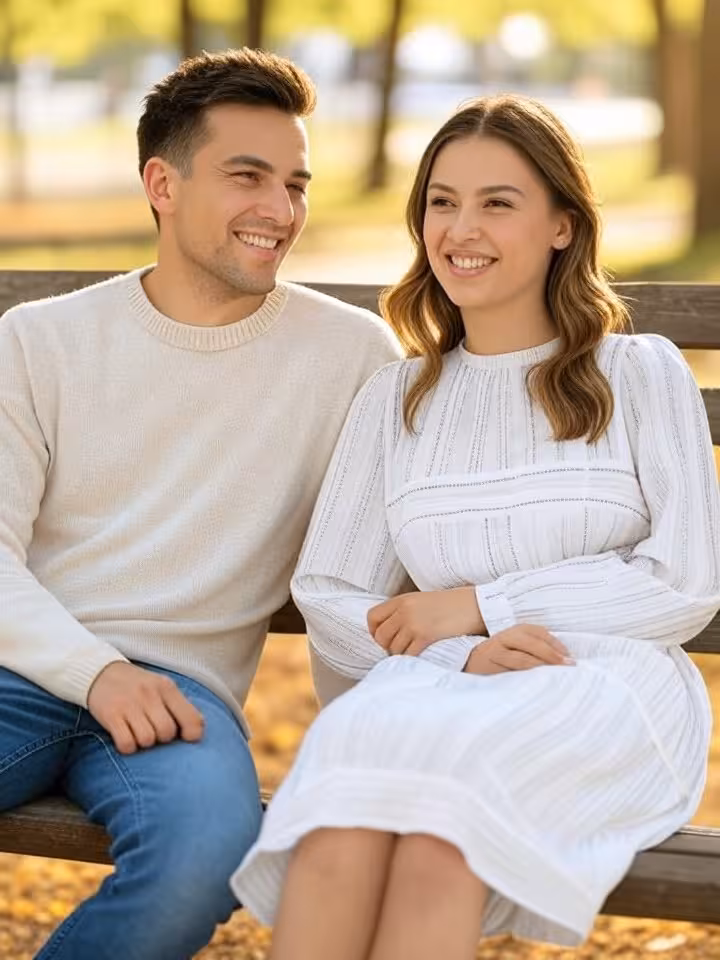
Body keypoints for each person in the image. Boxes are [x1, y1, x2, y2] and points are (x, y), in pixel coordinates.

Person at [231, 93, 720, 960]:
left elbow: (682, 582)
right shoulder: (398, 396)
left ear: (563, 225)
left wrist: (479, 604)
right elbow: (332, 590)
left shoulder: (638, 373)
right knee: (340, 822)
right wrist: (459, 650)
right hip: (435, 682)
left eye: (499, 202)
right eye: (442, 202)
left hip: (598, 682)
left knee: (437, 843)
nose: (463, 228)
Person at [0, 48, 400, 960]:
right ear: (162, 184)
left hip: (182, 699)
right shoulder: (38, 342)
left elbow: (382, 560)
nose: (281, 210)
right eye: (246, 176)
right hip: (19, 668)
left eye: (295, 182)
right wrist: (94, 672)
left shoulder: (351, 358)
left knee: (207, 856)